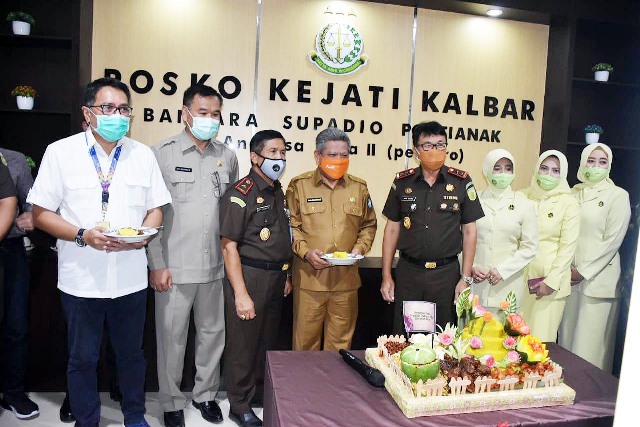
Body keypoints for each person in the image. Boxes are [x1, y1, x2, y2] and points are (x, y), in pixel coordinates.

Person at [27, 77, 171, 427]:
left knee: (132, 357)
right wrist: (81, 235)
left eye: (123, 109)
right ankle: (87, 420)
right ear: (88, 113)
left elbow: (156, 209)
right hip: (81, 279)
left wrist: (145, 235)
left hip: (130, 278)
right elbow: (40, 214)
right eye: (108, 108)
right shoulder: (61, 152)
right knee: (82, 358)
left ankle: (134, 417)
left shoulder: (142, 154)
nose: (117, 115)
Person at [147, 84, 238, 427]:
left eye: (215, 114)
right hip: (174, 268)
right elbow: (151, 214)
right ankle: (171, 402)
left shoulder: (227, 156)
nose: (210, 120)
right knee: (171, 340)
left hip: (214, 267)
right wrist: (156, 264)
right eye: (203, 113)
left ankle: (205, 396)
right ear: (185, 112)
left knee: (213, 336)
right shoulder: (161, 153)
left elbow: (233, 214)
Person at [380, 121, 484, 334]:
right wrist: (386, 275)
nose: (435, 151)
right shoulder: (402, 182)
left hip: (445, 275)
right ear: (416, 151)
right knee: (405, 337)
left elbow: (470, 231)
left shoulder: (461, 182)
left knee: (442, 338)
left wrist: (465, 279)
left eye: (440, 145)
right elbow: (391, 229)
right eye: (427, 146)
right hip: (409, 273)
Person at [219, 130, 292, 427]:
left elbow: (278, 236)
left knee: (266, 342)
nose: (279, 158)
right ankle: (239, 404)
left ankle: (259, 395)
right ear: (254, 156)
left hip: (276, 279)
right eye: (272, 152)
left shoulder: (277, 190)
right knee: (243, 345)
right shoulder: (241, 193)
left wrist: (286, 275)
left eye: (283, 152)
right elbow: (228, 245)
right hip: (250, 278)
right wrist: (241, 293)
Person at [286, 127, 376, 351]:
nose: (339, 160)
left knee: (340, 348)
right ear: (318, 156)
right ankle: (305, 387)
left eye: (344, 155)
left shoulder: (359, 187)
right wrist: (306, 252)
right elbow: (290, 227)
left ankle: (333, 387)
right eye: (333, 155)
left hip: (345, 282)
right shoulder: (299, 186)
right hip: (309, 281)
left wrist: (359, 248)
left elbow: (369, 224)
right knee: (305, 347)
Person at [558, 143, 630, 372]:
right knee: (567, 344)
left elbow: (613, 241)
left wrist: (583, 272)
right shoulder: (572, 192)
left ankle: (593, 404)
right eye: (591, 161)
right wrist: (566, 269)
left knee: (591, 349)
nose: (596, 166)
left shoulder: (617, 195)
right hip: (568, 279)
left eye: (602, 162)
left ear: (609, 166)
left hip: (598, 283)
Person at [520, 150, 579, 342]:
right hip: (518, 279)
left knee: (539, 344)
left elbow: (568, 247)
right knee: (513, 341)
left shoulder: (569, 202)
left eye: (555, 171)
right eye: (544, 168)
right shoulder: (521, 196)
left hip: (548, 283)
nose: (548, 175)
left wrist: (551, 282)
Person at [471, 149, 538, 314]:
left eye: (508, 168)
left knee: (505, 338)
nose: (503, 173)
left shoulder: (525, 205)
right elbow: (459, 241)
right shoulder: (472, 200)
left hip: (508, 288)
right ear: (486, 170)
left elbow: (530, 246)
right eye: (497, 168)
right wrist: (469, 267)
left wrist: (503, 270)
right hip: (475, 286)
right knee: (471, 337)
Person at [0, 149, 37, 420]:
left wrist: (34, 216)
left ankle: (13, 392)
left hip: (10, 249)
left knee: (16, 324)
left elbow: (34, 202)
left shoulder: (14, 160)